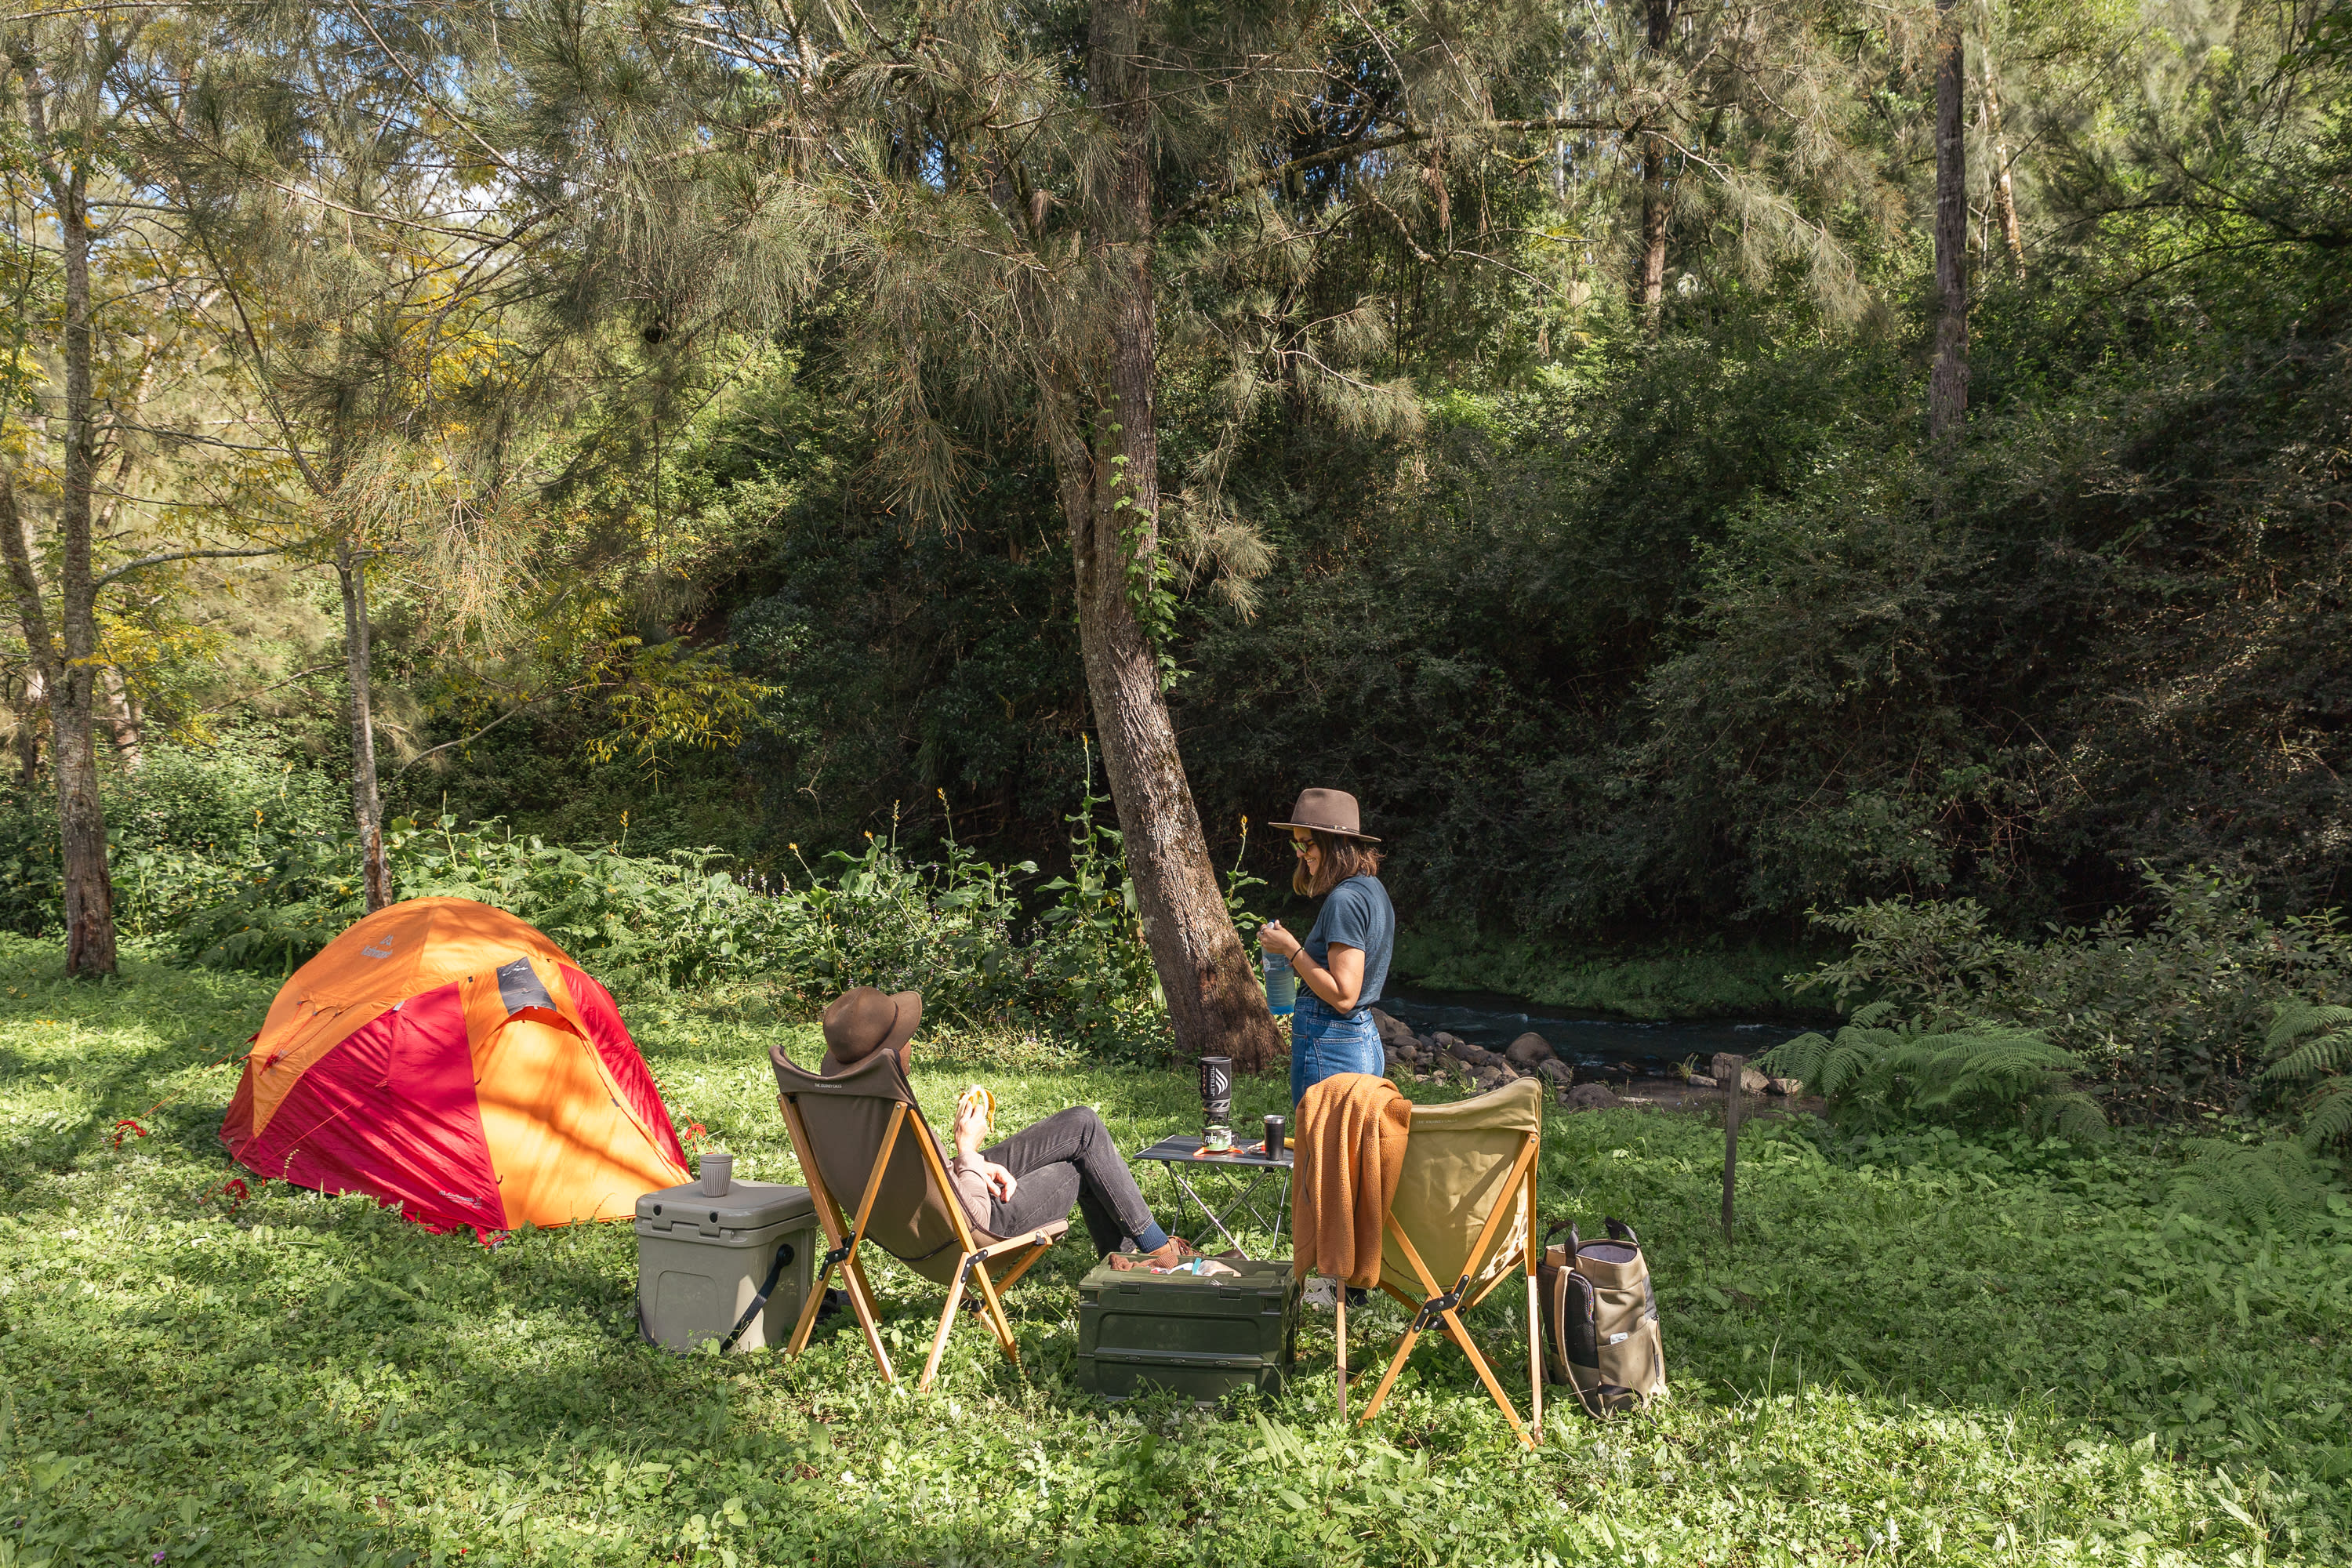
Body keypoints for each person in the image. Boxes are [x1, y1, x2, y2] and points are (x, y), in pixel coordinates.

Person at [817, 986, 1195, 1270]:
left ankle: (1134, 1259)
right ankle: (1157, 1254)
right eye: (904, 1038)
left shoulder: (849, 1111)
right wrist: (967, 1150)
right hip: (970, 1231)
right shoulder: (895, 1110)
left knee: (1082, 1124)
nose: (910, 1043)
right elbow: (975, 1219)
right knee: (1076, 1166)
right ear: (891, 1052)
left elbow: (918, 1182)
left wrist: (975, 1166)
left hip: (934, 1214)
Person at [1257, 787, 1395, 1109]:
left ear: (1336, 844)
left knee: (1320, 1152)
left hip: (1333, 1042)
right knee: (1348, 1154)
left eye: (1306, 843)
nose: (1299, 852)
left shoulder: (1344, 900)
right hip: (1359, 1038)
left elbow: (1344, 996)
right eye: (1296, 843)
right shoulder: (1371, 889)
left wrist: (1291, 949)